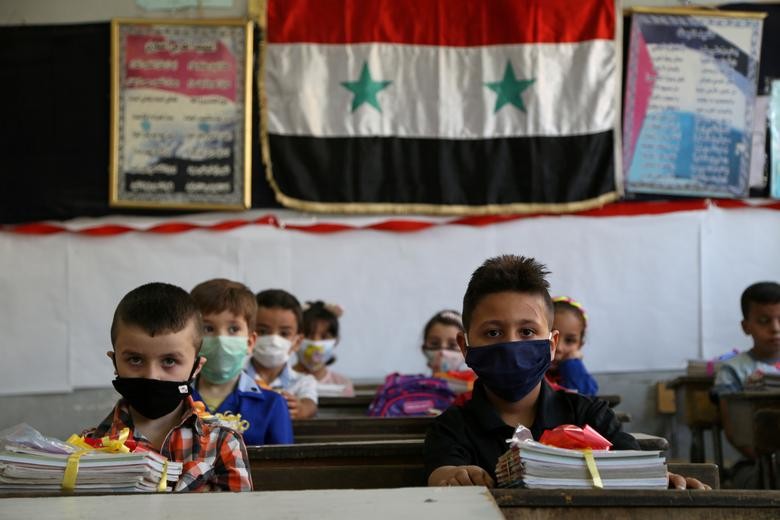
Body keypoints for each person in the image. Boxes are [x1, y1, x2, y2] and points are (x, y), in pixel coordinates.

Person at [424, 254, 707, 490]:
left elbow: (633, 467)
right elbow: (442, 472)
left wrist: (661, 481)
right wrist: (454, 476)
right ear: (465, 346)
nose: (511, 345)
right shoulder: (452, 426)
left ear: (551, 345)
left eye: (527, 332)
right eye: (493, 332)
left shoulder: (590, 415)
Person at [85, 282, 252, 492]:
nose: (152, 376)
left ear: (196, 367)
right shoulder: (88, 447)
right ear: (114, 361)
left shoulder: (222, 442)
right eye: (135, 360)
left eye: (169, 361)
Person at [189, 278, 293, 445]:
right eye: (208, 328)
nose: (221, 340)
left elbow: (284, 460)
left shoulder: (272, 404)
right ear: (191, 339)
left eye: (233, 329)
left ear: (250, 342)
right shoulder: (176, 399)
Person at [711, 282, 780, 486]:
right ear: (746, 326)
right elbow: (734, 433)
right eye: (764, 321)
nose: (775, 328)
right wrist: (770, 461)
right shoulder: (731, 371)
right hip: (753, 463)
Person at [245, 289, 318, 419]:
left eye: (284, 333)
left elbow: (310, 404)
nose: (274, 340)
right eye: (263, 331)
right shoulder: (235, 376)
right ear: (248, 335)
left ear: (297, 342)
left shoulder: (303, 381)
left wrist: (301, 408)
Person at [294, 300, 355, 397]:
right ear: (295, 338)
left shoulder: (342, 384)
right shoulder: (280, 381)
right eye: (308, 335)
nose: (315, 342)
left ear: (336, 341)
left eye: (324, 337)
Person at [547, 296, 599, 396]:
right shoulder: (527, 373)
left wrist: (572, 364)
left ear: (580, 346)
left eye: (569, 340)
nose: (558, 348)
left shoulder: (577, 372)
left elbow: (586, 397)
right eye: (551, 336)